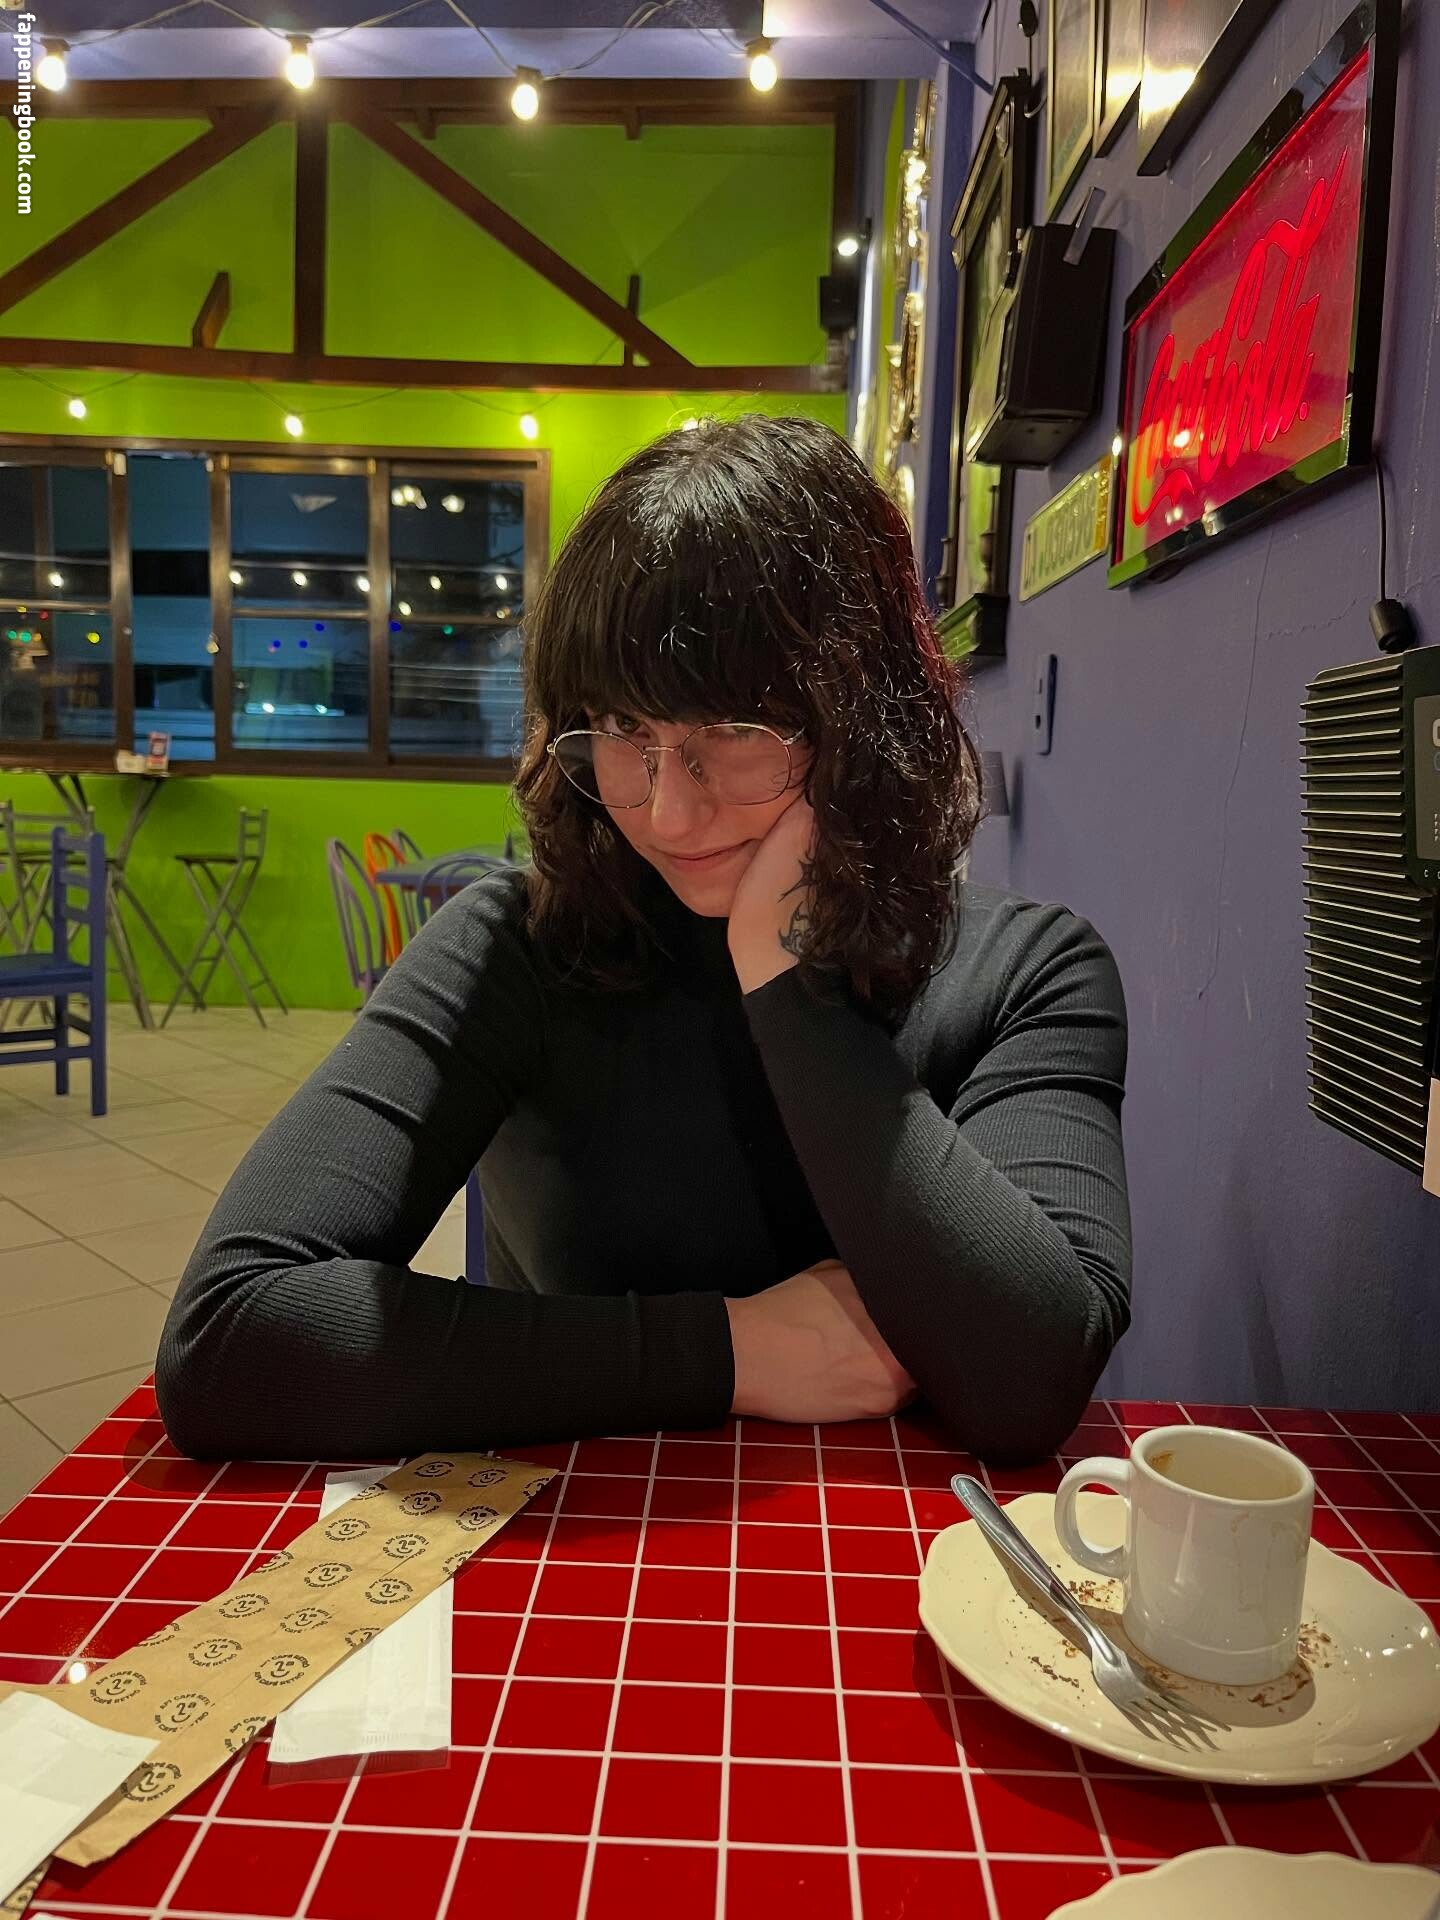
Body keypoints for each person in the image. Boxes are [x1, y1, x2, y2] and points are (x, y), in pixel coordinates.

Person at [156, 414, 1131, 1467]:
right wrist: (732, 1350)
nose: (668, 813)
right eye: (626, 732)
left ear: (868, 725)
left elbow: (1030, 1382)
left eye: (735, 732)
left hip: (921, 1549)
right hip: (579, 1532)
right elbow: (228, 1338)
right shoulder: (518, 946)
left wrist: (784, 976)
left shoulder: (1028, 973)